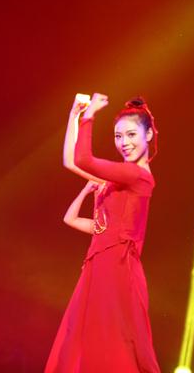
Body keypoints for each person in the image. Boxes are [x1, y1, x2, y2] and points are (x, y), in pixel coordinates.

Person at [45, 93, 161, 372]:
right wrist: (74, 115)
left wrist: (90, 115)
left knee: (114, 344)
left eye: (131, 135)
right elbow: (71, 161)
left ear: (148, 135)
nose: (124, 143)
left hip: (117, 267)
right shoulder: (120, 176)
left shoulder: (137, 175)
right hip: (98, 264)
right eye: (118, 136)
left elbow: (83, 159)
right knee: (84, 341)